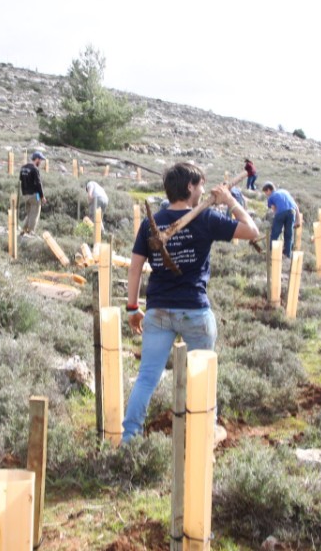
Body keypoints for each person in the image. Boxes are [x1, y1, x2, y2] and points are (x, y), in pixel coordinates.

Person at [122, 163, 259, 443]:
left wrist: (133, 308)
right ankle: (203, 438)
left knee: (147, 378)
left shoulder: (153, 222)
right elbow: (252, 230)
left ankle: (129, 438)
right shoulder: (206, 219)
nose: (203, 191)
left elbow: (135, 267)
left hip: (158, 310)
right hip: (195, 311)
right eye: (200, 186)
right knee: (202, 379)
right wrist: (231, 201)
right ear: (189, 187)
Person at [261, 182, 299, 258]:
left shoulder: (271, 197)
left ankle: (271, 253)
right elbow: (295, 206)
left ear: (268, 190)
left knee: (275, 234)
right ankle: (287, 254)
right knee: (289, 234)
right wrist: (298, 220)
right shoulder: (285, 191)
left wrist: (277, 224)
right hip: (292, 212)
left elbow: (274, 209)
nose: (266, 194)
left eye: (265, 192)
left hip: (281, 213)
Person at [19, 151, 47, 234]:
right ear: (37, 159)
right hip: (35, 195)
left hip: (25, 194)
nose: (41, 162)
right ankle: (31, 231)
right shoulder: (35, 169)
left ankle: (24, 229)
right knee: (35, 213)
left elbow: (21, 180)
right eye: (40, 160)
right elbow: (38, 183)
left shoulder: (23, 168)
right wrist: (42, 196)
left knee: (29, 213)